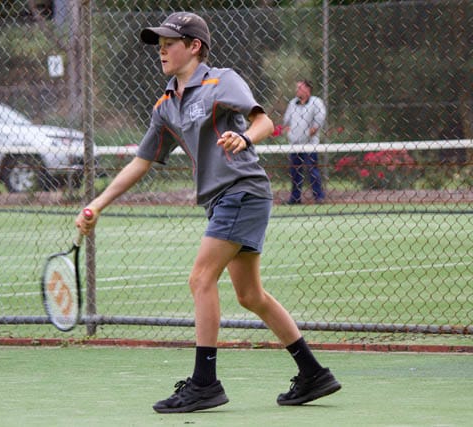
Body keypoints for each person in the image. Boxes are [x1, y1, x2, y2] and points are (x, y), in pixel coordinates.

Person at [75, 12, 340, 413]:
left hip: (242, 190)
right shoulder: (166, 105)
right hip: (222, 200)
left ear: (194, 46)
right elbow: (142, 162)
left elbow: (265, 121)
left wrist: (244, 137)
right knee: (250, 295)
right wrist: (97, 203)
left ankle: (205, 383)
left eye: (170, 43)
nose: (161, 50)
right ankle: (313, 373)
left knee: (201, 278)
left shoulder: (221, 80)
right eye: (159, 44)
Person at [283, 79, 327, 204]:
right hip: (294, 145)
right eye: (297, 88)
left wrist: (308, 134)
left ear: (308, 89)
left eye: (300, 88)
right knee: (295, 172)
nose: (297, 90)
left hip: (310, 145)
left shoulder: (316, 102)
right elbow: (286, 121)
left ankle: (319, 197)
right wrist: (290, 134)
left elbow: (319, 121)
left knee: (312, 170)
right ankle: (295, 198)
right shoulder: (292, 103)